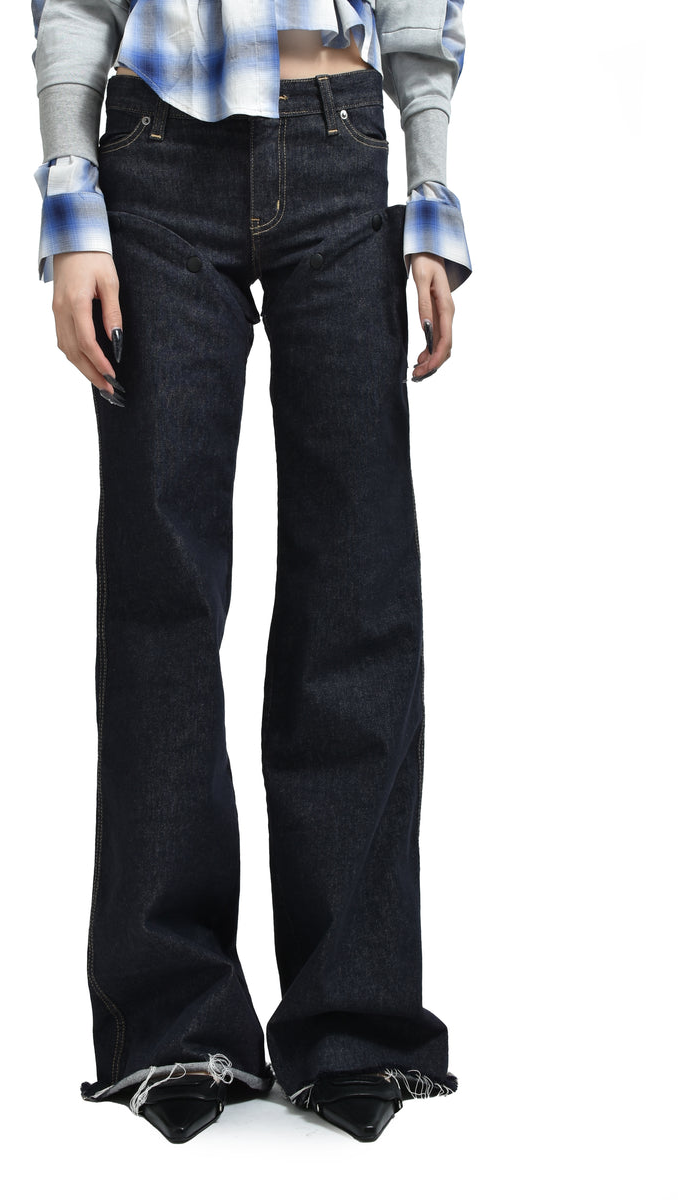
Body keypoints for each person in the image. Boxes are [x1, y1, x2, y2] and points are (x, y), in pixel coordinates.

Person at [30, 0, 472, 1145]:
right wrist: (71, 205)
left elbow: (419, 16)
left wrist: (430, 189)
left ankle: (354, 1021)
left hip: (338, 143)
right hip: (154, 157)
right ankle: (174, 1023)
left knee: (358, 583)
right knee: (162, 589)